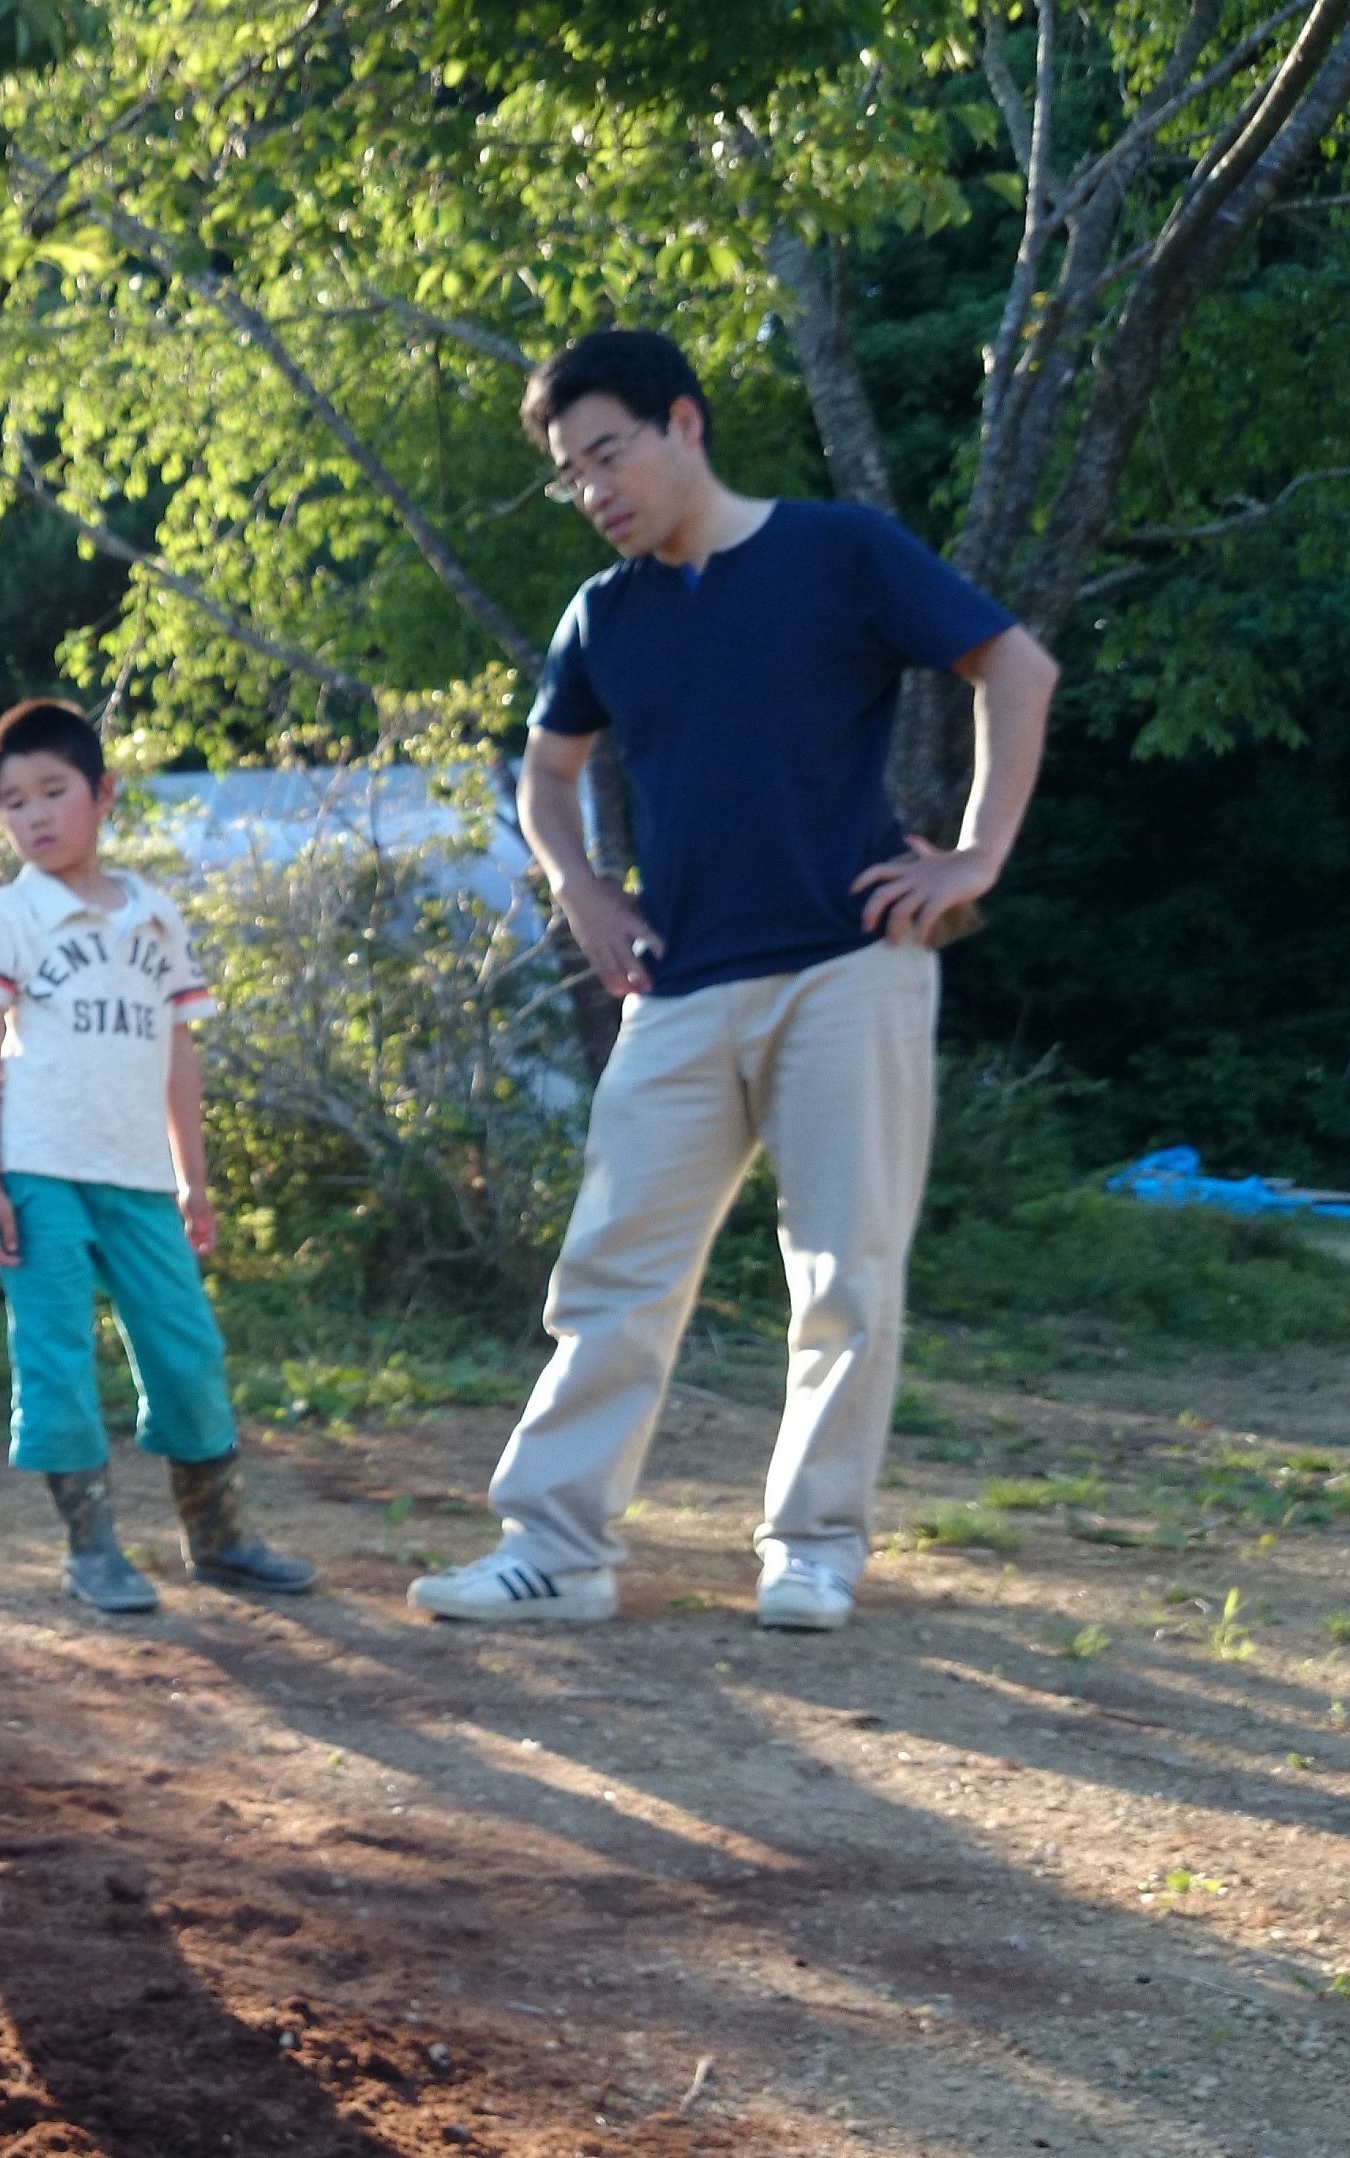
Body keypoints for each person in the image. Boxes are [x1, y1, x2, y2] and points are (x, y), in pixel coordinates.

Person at [409, 328, 1056, 1633]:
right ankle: (555, 1552)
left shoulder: (837, 550)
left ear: (681, 425)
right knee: (608, 1273)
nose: (591, 488)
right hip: (683, 983)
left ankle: (812, 1550)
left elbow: (1014, 667)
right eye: (567, 473)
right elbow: (546, 775)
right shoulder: (605, 613)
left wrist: (975, 857)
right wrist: (582, 888)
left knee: (843, 1277)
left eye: (606, 453)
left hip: (847, 964)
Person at [0, 699, 318, 1612]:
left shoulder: (157, 916)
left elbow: (178, 1055)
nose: (34, 816)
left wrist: (193, 1177)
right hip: (39, 1172)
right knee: (57, 1357)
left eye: (53, 792)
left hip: (143, 1180)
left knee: (187, 1350)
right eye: (12, 802)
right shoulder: (7, 916)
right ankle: (93, 1551)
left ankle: (220, 1538)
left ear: (103, 793)